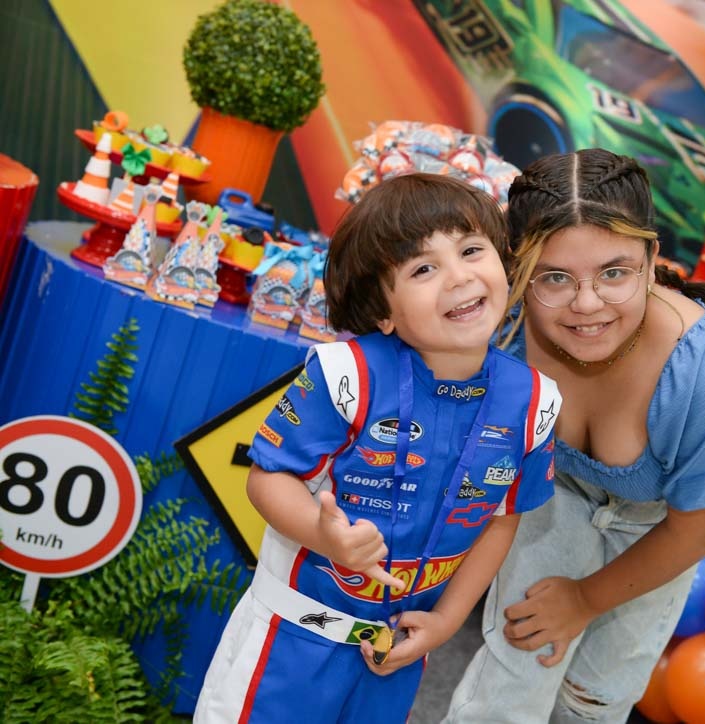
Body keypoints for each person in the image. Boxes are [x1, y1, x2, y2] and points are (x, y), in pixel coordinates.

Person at [194, 173, 561, 723]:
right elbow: (266, 477)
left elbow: (501, 519)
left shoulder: (535, 403)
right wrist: (325, 536)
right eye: (422, 269)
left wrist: (446, 622)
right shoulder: (345, 374)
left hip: (396, 654)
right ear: (382, 310)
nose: (459, 277)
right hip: (292, 641)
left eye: (470, 250)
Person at [445, 149, 705, 723]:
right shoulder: (501, 325)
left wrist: (585, 599)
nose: (587, 304)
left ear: (652, 258)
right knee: (509, 681)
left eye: (614, 272)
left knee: (595, 701)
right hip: (551, 493)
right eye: (555, 277)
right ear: (518, 270)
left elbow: (697, 529)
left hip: (659, 527)